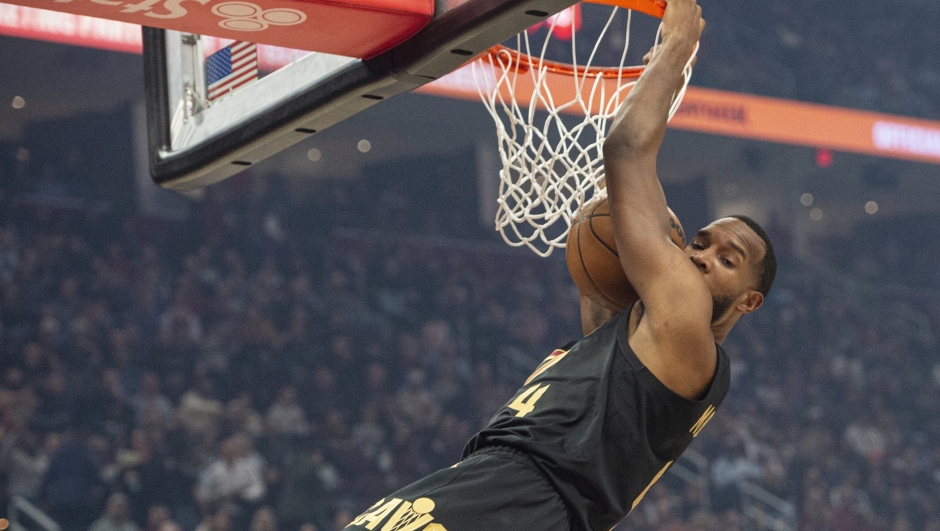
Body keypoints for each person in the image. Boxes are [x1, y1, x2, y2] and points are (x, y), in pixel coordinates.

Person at [344, 0, 777, 529]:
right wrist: (623, 228)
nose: (701, 257)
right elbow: (598, 285)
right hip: (503, 487)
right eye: (700, 243)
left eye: (726, 259)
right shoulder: (637, 341)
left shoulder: (688, 327)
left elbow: (623, 150)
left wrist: (675, 52)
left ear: (751, 299)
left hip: (524, 498)